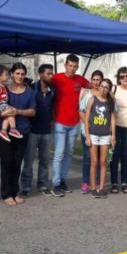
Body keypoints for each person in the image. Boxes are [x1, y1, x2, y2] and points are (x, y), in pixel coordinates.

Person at [0, 63, 36, 205]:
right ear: (11, 74)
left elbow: (32, 111)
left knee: (17, 163)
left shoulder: (30, 92)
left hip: (22, 131)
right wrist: (4, 112)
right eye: (17, 73)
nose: (20, 76)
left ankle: (14, 192)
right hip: (4, 131)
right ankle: (6, 194)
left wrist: (17, 111)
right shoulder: (4, 89)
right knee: (7, 162)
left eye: (22, 74)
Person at [50, 54, 90, 197]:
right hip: (60, 122)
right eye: (70, 65)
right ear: (65, 65)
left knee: (69, 153)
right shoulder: (56, 78)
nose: (72, 68)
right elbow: (43, 84)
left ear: (78, 67)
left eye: (75, 66)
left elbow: (95, 86)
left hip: (75, 123)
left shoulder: (80, 80)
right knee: (59, 154)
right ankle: (55, 184)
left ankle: (63, 181)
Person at [20, 63, 55, 197]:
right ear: (40, 74)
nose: (50, 76)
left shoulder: (53, 91)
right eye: (48, 73)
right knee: (28, 161)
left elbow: (53, 107)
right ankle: (26, 186)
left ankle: (43, 185)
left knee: (45, 161)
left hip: (47, 131)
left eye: (51, 73)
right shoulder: (31, 88)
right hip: (32, 131)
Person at [84, 78, 116, 198]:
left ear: (109, 90)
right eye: (102, 86)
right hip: (93, 134)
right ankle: (93, 187)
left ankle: (101, 188)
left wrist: (113, 136)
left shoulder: (110, 102)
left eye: (106, 87)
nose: (103, 89)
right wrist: (87, 136)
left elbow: (113, 119)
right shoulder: (92, 100)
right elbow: (86, 119)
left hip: (105, 135)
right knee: (94, 161)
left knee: (103, 162)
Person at [78, 70, 104, 194]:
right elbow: (81, 111)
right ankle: (85, 182)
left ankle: (98, 182)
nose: (95, 82)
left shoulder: (105, 94)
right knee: (88, 158)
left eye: (98, 79)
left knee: (100, 159)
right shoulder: (88, 95)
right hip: (87, 132)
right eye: (93, 79)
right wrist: (88, 124)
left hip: (102, 133)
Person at [0, 64, 23, 142]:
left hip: (2, 104)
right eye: (6, 75)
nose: (8, 77)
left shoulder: (1, 85)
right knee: (11, 111)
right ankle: (13, 129)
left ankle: (3, 131)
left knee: (7, 116)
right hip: (0, 105)